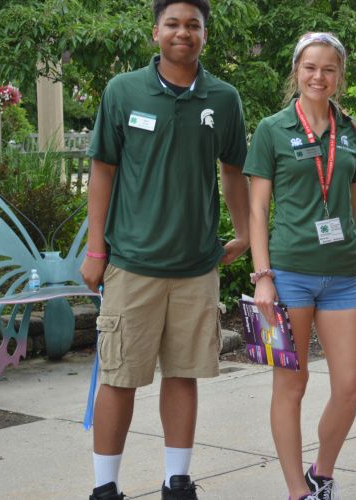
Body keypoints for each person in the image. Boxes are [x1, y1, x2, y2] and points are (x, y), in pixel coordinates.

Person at [80, 1, 249, 498]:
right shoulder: (123, 91)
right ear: (156, 32)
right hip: (132, 263)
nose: (183, 33)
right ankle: (104, 488)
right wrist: (96, 250)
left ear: (205, 35)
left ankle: (178, 480)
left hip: (198, 264)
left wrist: (241, 232)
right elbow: (102, 170)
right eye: (173, 24)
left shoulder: (224, 97)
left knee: (184, 375)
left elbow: (233, 170)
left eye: (193, 25)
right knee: (119, 378)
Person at [244, 32, 356, 500]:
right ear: (297, 70)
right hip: (289, 275)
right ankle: (298, 491)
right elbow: (257, 209)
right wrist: (263, 278)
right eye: (311, 67)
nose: (319, 76)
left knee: (351, 387)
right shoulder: (272, 129)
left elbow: (355, 208)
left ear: (339, 76)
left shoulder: (351, 131)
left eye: (329, 69)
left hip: (340, 279)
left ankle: (322, 471)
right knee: (291, 385)